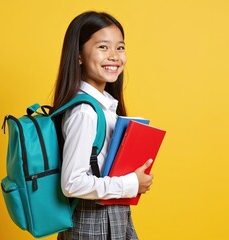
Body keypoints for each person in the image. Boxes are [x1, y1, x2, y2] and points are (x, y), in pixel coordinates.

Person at [52, 11, 153, 240]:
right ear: (78, 55)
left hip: (112, 216)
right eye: (103, 47)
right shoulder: (85, 112)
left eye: (120, 48)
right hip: (92, 221)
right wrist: (131, 183)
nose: (114, 56)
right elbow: (72, 183)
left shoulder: (103, 105)